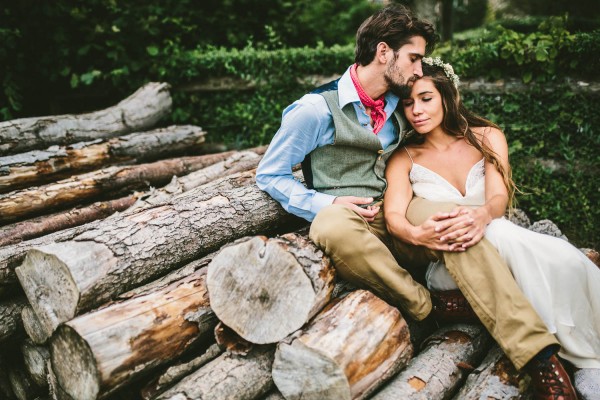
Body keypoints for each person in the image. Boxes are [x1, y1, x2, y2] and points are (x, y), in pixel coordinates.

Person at [256, 5, 575, 399]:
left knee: (454, 221)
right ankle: (428, 307)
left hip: (403, 207)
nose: (419, 69)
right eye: (414, 58)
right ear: (384, 53)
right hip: (352, 218)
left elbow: (438, 124)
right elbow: (269, 174)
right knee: (329, 225)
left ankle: (539, 355)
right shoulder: (313, 110)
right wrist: (324, 201)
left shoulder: (400, 105)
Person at [384, 56, 600, 399]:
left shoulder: (487, 136)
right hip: (452, 261)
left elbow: (498, 198)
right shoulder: (404, 157)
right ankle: (565, 360)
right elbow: (394, 215)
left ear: (447, 96)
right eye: (408, 103)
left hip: (499, 237)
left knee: (567, 260)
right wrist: (416, 234)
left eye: (426, 99)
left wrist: (482, 216)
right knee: (500, 241)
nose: (416, 111)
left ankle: (589, 361)